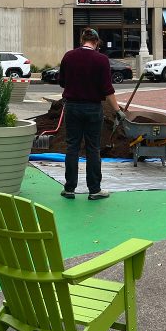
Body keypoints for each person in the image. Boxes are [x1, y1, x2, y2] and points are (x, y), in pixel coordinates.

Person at [57, 27, 122, 201]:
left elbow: (62, 82)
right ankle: (94, 190)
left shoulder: (69, 56)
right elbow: (107, 90)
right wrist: (117, 111)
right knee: (93, 149)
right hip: (93, 109)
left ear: (81, 41)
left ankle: (69, 188)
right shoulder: (101, 60)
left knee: (72, 147)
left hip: (72, 107)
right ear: (97, 42)